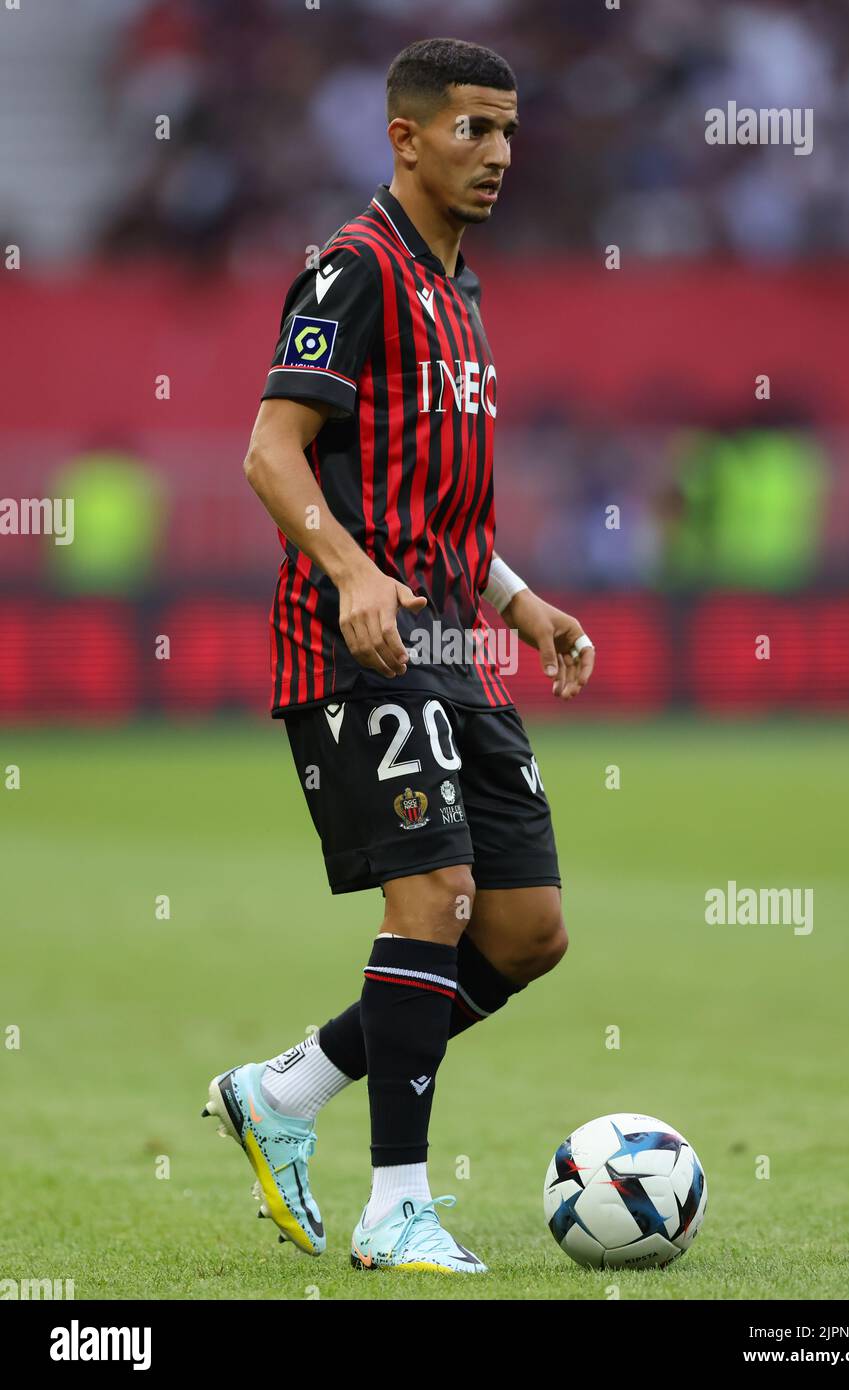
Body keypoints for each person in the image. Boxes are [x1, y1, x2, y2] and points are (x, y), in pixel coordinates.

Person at [203, 36, 594, 1275]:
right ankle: (398, 1203)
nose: (497, 154)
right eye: (473, 129)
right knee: (433, 897)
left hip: (451, 637)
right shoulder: (351, 270)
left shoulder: (462, 294)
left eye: (510, 131)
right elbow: (272, 453)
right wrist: (352, 570)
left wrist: (521, 599)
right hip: (354, 636)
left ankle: (286, 1091)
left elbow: (436, 505)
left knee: (527, 928)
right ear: (405, 136)